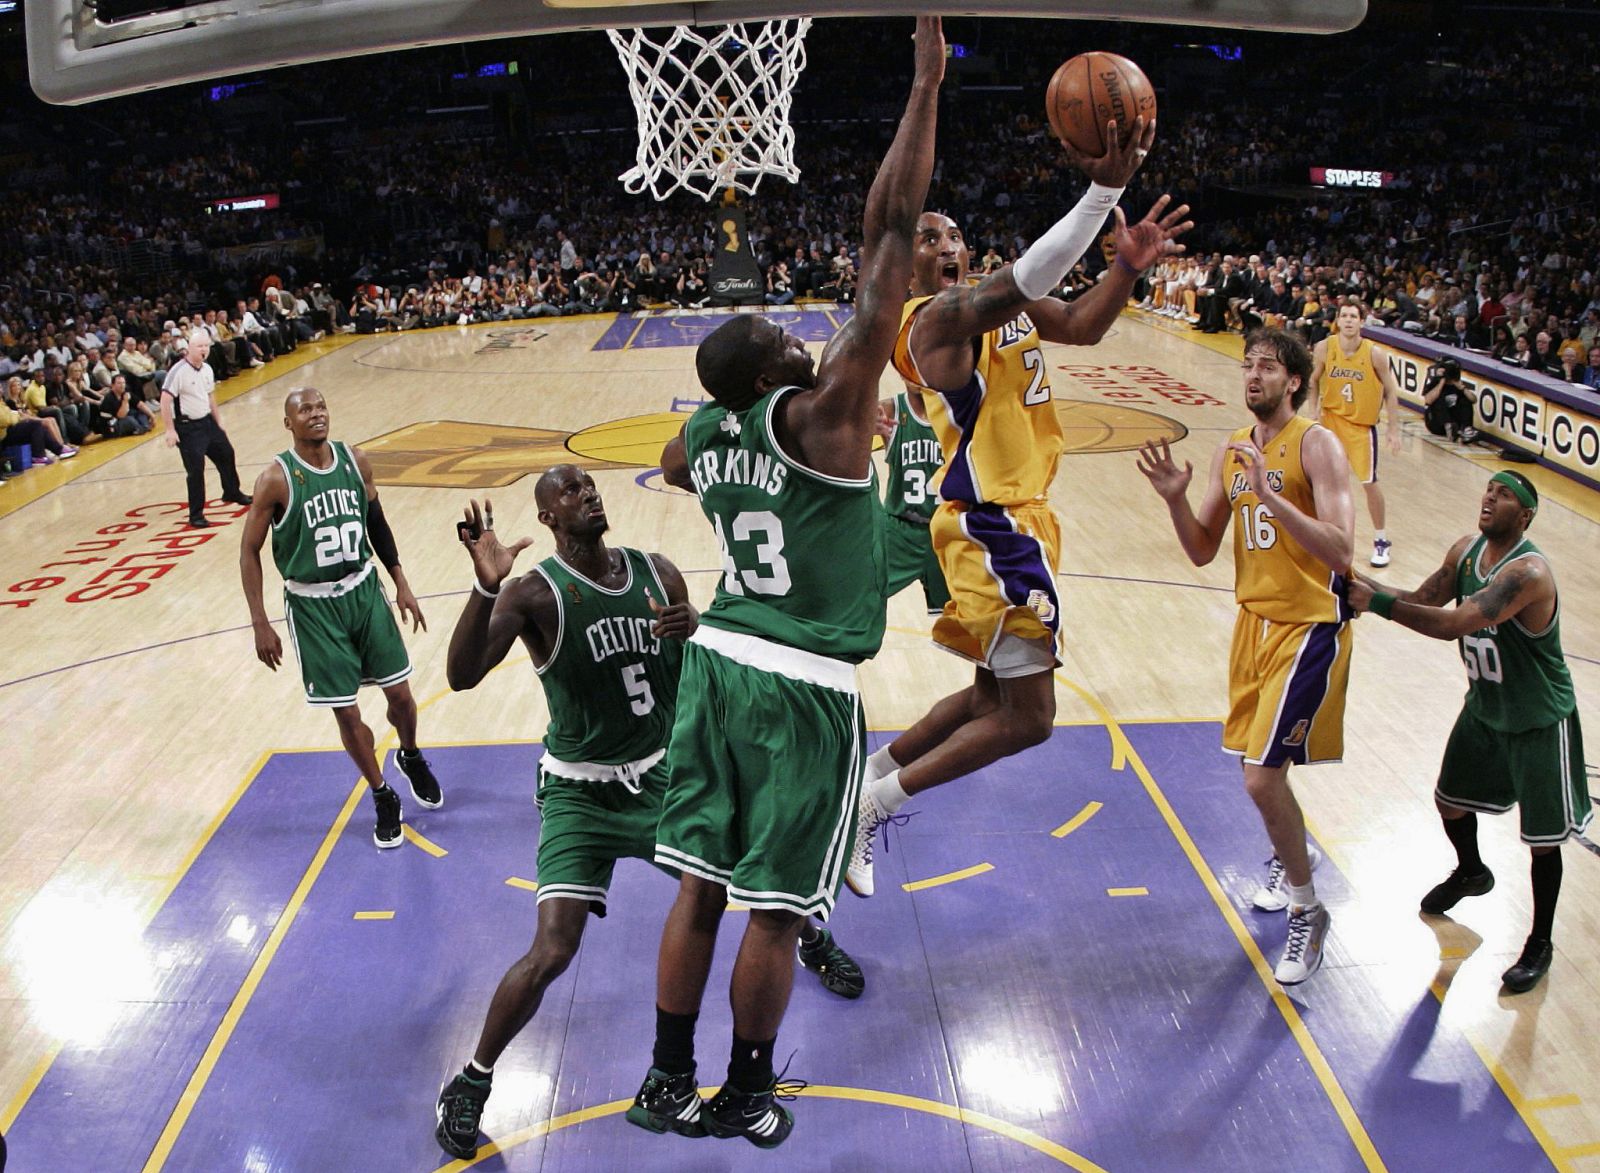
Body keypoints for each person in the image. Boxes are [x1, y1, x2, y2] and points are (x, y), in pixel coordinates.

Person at [627, 18, 945, 1151]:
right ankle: (746, 1088)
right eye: (781, 335)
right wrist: (924, 84)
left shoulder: (705, 438)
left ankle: (666, 1079)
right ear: (772, 373)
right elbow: (892, 234)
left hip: (714, 665)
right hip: (800, 684)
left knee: (695, 889)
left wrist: (710, 423)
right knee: (771, 903)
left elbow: (670, 459)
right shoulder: (820, 418)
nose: (803, 337)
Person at [431, 467, 863, 1161]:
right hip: (580, 791)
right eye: (569, 492)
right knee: (552, 949)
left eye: (589, 486)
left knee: (737, 870)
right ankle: (471, 1080)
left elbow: (702, 663)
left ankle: (806, 937)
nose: (587, 494)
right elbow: (460, 674)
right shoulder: (536, 592)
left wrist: (695, 629)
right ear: (546, 518)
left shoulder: (657, 573)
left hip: (660, 773)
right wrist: (486, 586)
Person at [846, 102, 1189, 899]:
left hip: (1020, 517)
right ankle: (872, 804)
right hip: (993, 523)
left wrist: (1126, 271)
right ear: (905, 270)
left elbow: (1076, 323)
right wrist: (1103, 192)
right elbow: (1031, 277)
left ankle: (863, 780)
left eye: (952, 234)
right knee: (1031, 719)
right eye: (927, 237)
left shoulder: (998, 307)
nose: (944, 245)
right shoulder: (926, 325)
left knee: (988, 697)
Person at [1136, 328, 1355, 984]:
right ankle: (1287, 857)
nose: (1253, 374)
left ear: (1293, 381)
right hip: (1253, 624)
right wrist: (1176, 499)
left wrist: (1274, 496)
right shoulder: (1232, 450)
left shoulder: (1318, 444)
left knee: (1261, 777)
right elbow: (1203, 548)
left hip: (1311, 623)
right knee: (1265, 771)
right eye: (1248, 364)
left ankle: (1309, 908)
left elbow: (1342, 549)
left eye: (1267, 367)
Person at [1348, 471, 1590, 994]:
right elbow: (1423, 599)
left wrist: (1377, 605)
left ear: (1524, 515)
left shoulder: (1527, 573)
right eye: (1488, 489)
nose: (1489, 497)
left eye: (1504, 495)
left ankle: (1540, 942)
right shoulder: (1464, 552)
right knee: (1450, 800)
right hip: (1486, 707)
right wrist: (1360, 583)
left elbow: (1451, 624)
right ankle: (1472, 871)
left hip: (1538, 717)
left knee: (1543, 842)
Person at [239, 387, 441, 849]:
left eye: (321, 406)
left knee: (403, 697)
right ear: (288, 423)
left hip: (363, 590)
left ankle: (410, 755)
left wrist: (400, 581)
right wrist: (260, 621)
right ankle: (381, 792)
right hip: (312, 605)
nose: (316, 415)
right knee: (347, 713)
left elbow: (377, 522)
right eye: (304, 410)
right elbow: (248, 551)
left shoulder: (355, 460)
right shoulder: (276, 479)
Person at [1310, 301, 1403, 567]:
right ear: (1337, 320)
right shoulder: (1325, 347)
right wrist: (1313, 411)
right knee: (1320, 480)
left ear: (1362, 321)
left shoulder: (1375, 354)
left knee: (1369, 483)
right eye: (1345, 316)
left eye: (1354, 316)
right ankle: (1318, 534)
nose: (1349, 320)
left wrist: (1393, 429)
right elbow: (1313, 380)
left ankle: (1381, 540)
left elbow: (1391, 391)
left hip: (1361, 428)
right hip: (1331, 420)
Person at [160, 331, 251, 528]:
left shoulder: (207, 369)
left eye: (206, 346)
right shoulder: (178, 371)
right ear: (189, 349)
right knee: (195, 470)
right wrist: (170, 430)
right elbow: (165, 400)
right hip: (187, 427)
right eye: (199, 346)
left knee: (226, 453)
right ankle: (196, 514)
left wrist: (218, 421)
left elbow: (210, 397)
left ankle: (232, 491)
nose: (204, 350)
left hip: (207, 421)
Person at [875, 390, 949, 616]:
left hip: (947, 532)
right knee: (859, 595)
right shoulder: (889, 410)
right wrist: (860, 420)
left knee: (974, 621)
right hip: (900, 532)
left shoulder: (959, 412)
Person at [1421, 358, 1477, 442]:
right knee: (1438, 399)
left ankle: (1467, 429)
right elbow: (1428, 400)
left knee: (1465, 400)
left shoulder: (1458, 385)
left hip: (1454, 422)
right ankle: (1448, 426)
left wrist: (1463, 388)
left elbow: (1473, 400)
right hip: (1436, 423)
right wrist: (1441, 381)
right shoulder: (1435, 383)